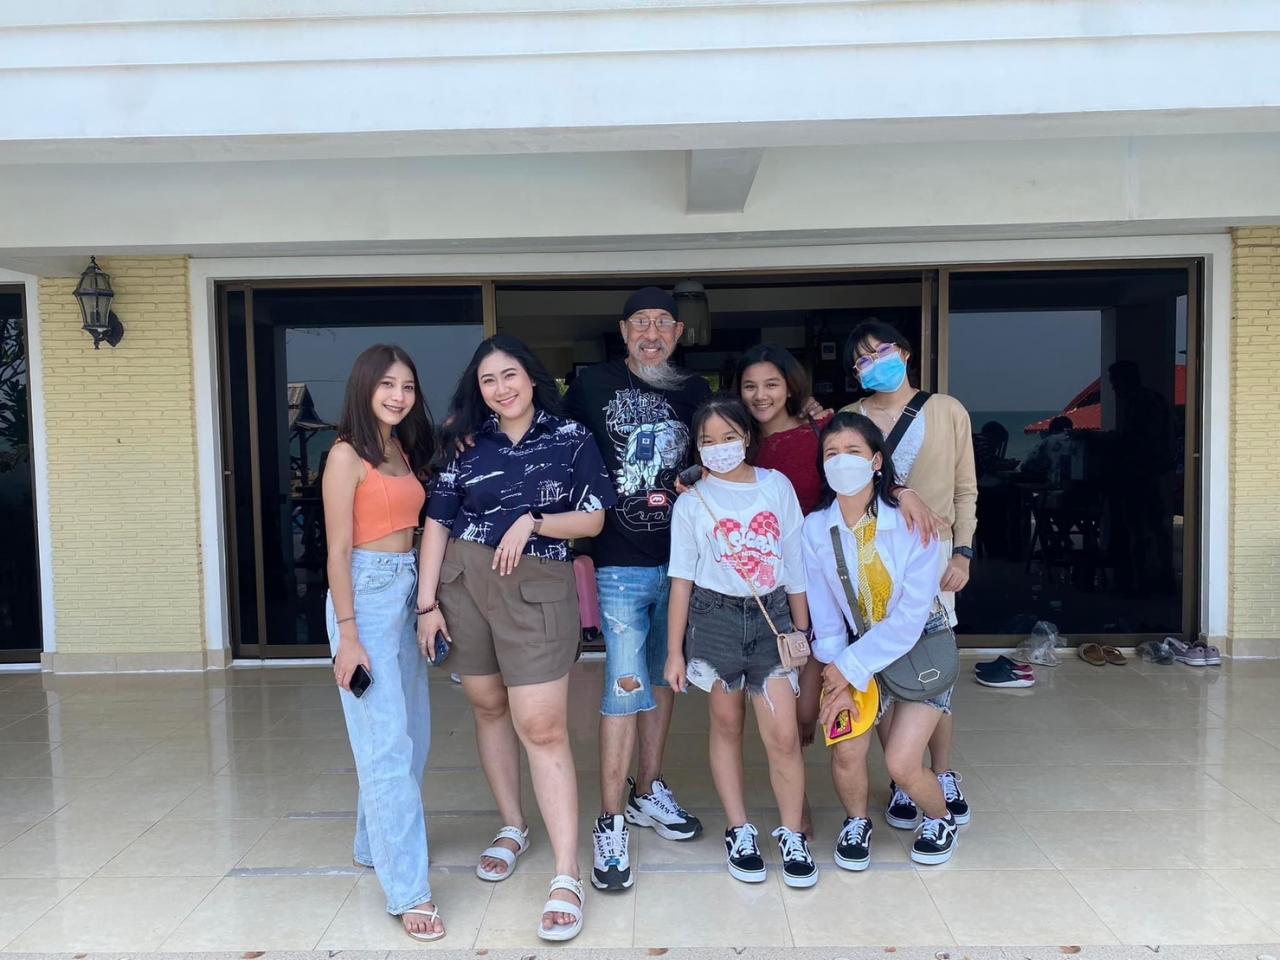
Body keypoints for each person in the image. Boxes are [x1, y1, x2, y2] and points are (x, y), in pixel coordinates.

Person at [417, 334, 616, 942]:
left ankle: (566, 873)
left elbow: (595, 516)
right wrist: (426, 603)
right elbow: (438, 520)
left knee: (543, 726)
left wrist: (534, 521)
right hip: (463, 583)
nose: (500, 388)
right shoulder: (464, 442)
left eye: (510, 375)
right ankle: (512, 825)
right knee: (488, 707)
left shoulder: (570, 437)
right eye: (488, 380)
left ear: (531, 378)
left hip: (537, 584)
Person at [562, 287, 713, 892]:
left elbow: (724, 450)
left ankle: (647, 789)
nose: (652, 334)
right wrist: (474, 431)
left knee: (663, 678)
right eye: (640, 324)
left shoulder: (695, 391)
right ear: (624, 332)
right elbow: (551, 437)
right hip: (618, 561)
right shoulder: (591, 385)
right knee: (624, 687)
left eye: (663, 324)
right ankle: (609, 820)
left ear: (678, 333)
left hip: (681, 563)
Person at [663, 396, 817, 888]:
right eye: (707, 440)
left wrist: (801, 631)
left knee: (783, 734)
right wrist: (674, 652)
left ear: (747, 437)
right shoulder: (691, 501)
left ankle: (791, 833)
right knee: (727, 724)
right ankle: (739, 829)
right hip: (714, 619)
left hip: (773, 617)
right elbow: (681, 580)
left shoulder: (776, 486)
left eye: (728, 437)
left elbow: (794, 564)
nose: (719, 447)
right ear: (696, 447)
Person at [321, 344, 442, 942]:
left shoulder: (401, 449)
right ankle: (409, 890)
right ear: (365, 386)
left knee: (409, 734)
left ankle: (374, 844)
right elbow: (338, 552)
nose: (398, 396)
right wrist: (348, 636)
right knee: (386, 742)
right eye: (388, 385)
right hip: (363, 598)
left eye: (408, 387)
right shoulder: (345, 455)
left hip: (405, 591)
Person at [803, 411, 960, 868]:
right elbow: (826, 617)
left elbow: (910, 619)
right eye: (831, 453)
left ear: (876, 462)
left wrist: (847, 668)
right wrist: (837, 676)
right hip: (855, 648)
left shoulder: (913, 524)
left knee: (901, 764)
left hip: (921, 647)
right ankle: (857, 821)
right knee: (846, 749)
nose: (841, 460)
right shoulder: (816, 529)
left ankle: (941, 817)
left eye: (853, 451)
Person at [841, 320, 976, 830]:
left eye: (881, 351)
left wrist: (962, 553)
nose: (873, 362)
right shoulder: (850, 417)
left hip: (934, 555)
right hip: (871, 554)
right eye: (862, 358)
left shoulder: (947, 410)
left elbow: (965, 489)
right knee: (884, 665)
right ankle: (904, 778)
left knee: (932, 664)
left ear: (904, 352)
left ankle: (940, 772)